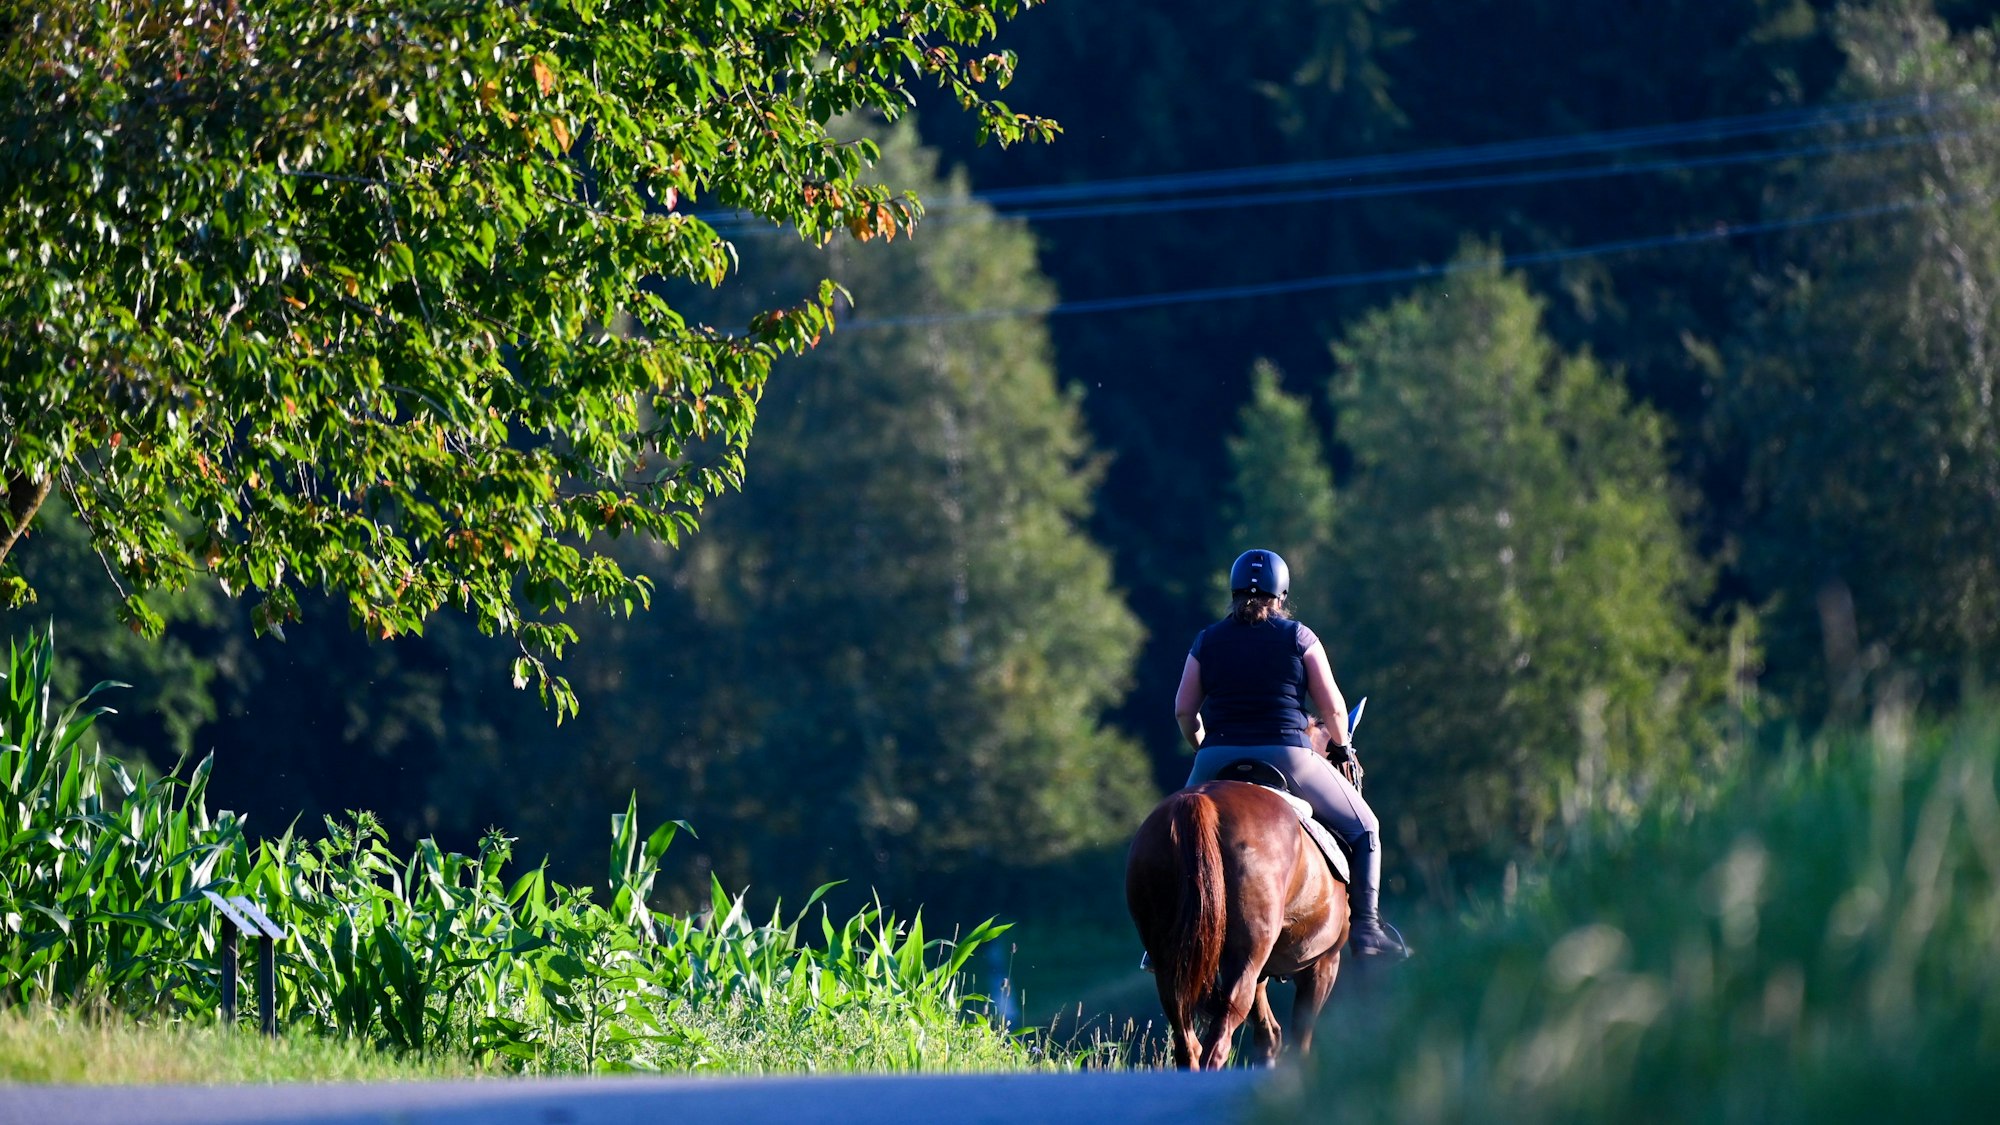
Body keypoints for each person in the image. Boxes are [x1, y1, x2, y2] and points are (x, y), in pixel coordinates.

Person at [1176, 548, 1406, 958]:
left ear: (1232, 592)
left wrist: (1203, 749)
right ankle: (1367, 929)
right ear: (1281, 595)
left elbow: (1183, 709)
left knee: (1180, 836)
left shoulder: (1206, 641)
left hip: (1215, 758)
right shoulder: (1299, 637)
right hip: (1289, 756)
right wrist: (1343, 747)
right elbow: (1334, 710)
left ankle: (1169, 936)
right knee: (1366, 828)